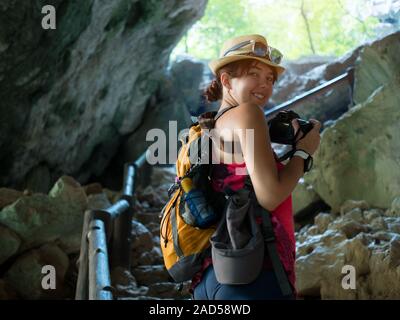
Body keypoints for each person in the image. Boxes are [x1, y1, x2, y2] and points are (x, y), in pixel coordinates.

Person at [190, 34, 321, 300]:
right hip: (254, 275)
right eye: (254, 74)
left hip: (215, 275)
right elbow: (270, 196)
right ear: (226, 80)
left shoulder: (212, 125)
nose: (265, 84)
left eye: (270, 78)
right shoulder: (248, 113)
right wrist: (304, 153)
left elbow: (243, 182)